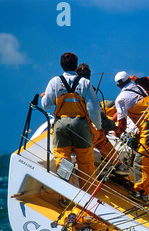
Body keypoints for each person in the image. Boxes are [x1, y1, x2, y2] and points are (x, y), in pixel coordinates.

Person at [41, 52, 104, 191]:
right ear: (76, 66)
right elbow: (93, 108)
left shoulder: (54, 81)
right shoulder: (85, 83)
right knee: (86, 162)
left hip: (61, 125)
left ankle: (66, 193)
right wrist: (99, 127)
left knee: (62, 160)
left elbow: (45, 105)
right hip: (80, 125)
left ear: (61, 65)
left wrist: (44, 96)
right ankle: (88, 193)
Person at [113, 71, 149, 201]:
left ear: (118, 85)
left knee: (142, 159)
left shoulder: (120, 98)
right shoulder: (139, 87)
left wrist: (117, 131)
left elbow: (122, 124)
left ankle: (142, 192)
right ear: (129, 79)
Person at [76, 63, 128, 176]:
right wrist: (113, 128)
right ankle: (118, 165)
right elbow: (97, 114)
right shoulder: (88, 89)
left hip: (61, 126)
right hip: (80, 126)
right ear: (89, 76)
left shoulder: (63, 84)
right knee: (101, 140)